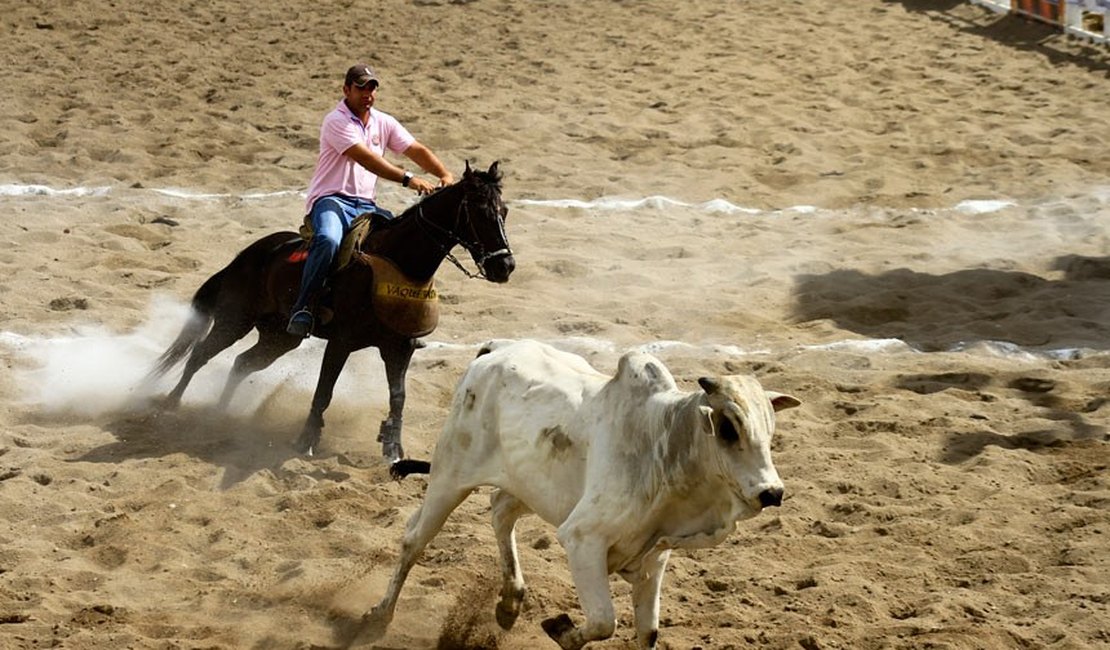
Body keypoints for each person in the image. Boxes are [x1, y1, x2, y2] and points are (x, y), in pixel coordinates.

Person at [287, 63, 454, 337]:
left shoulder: (383, 121)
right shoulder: (336, 121)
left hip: (366, 205)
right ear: (346, 90)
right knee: (328, 240)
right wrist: (408, 179)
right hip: (332, 201)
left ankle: (401, 315)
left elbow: (415, 149)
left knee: (404, 243)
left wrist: (444, 173)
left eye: (372, 87)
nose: (368, 93)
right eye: (361, 87)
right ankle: (303, 306)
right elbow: (366, 158)